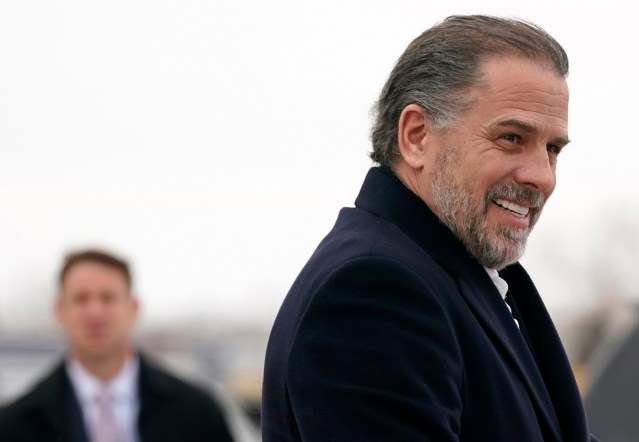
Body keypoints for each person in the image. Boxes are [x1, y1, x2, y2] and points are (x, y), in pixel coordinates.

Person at [262, 15, 599, 442]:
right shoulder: (373, 292)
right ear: (417, 136)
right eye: (511, 138)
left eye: (552, 149)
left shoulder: (460, 274)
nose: (542, 176)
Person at [0, 249, 235, 442]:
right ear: (59, 311)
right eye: (81, 299)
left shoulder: (197, 413)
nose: (95, 312)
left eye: (108, 297)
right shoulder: (15, 425)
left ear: (133, 308)